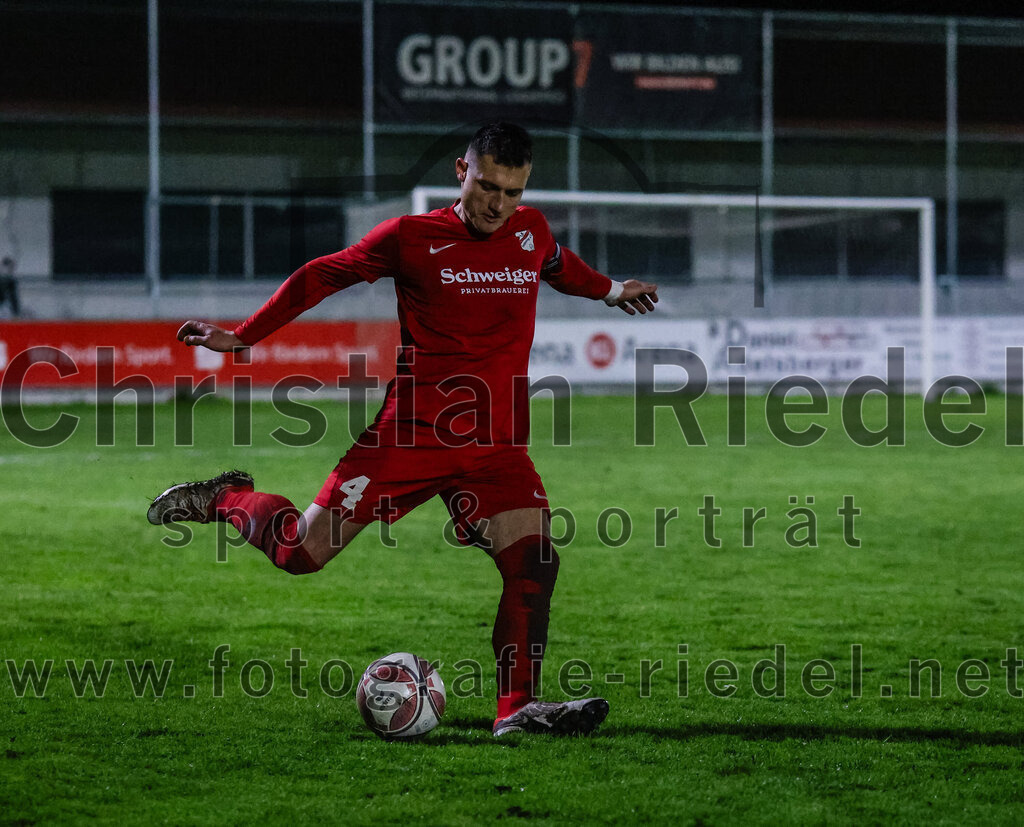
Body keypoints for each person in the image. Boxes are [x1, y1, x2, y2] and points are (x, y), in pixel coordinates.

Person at [148, 122, 659, 737]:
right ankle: (224, 498)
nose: (498, 204)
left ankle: (516, 709)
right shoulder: (411, 237)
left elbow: (555, 264)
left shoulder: (531, 230)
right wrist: (245, 334)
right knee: (300, 553)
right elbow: (323, 274)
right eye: (488, 186)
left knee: (535, 564)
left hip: (496, 447)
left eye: (513, 192)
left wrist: (608, 290)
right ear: (461, 173)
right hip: (411, 437)